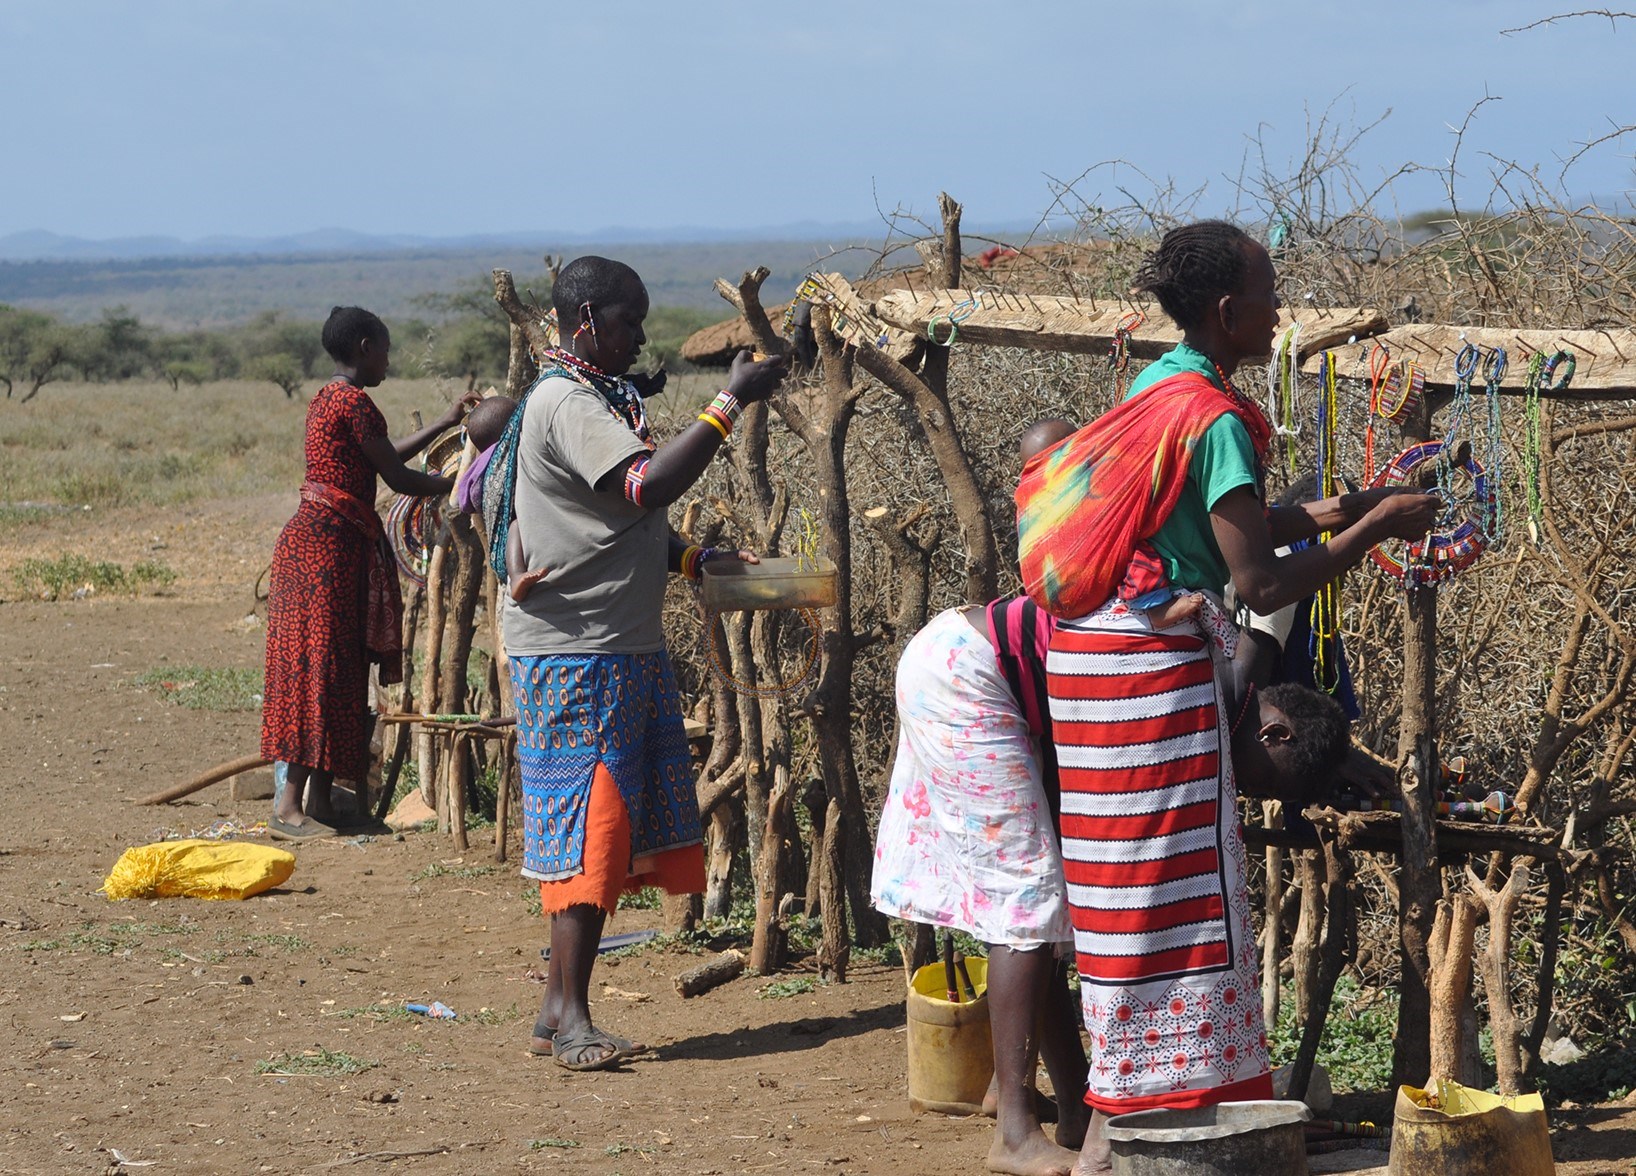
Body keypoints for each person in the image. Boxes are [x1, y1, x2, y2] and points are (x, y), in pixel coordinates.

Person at [1014, 220, 1440, 1173]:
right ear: (1226, 310)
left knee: (1129, 887)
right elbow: (1258, 586)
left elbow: (1209, 523)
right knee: (1177, 886)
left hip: (1091, 666)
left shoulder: (1152, 389)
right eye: (1270, 293)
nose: (1280, 308)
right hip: (1153, 683)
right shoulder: (1212, 417)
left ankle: (1146, 1110)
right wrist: (1374, 532)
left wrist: (1328, 511)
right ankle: (1158, 1110)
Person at [487, 255, 786, 1071]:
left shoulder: (580, 397)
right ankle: (576, 1020)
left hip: (607, 642)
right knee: (595, 826)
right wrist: (731, 402)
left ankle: (557, 1009)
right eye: (629, 321)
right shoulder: (567, 401)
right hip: (583, 650)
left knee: (597, 828)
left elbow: (607, 524)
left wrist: (692, 563)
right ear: (587, 320)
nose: (640, 337)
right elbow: (646, 488)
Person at [873, 421, 1087, 1176]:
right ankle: (1014, 1129)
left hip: (960, 666)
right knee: (1025, 899)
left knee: (1034, 901)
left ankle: (1066, 1100)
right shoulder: (1129, 570)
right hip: (965, 675)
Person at [261, 306, 478, 840]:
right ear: (363, 347)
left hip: (329, 549)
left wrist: (446, 424)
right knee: (319, 671)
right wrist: (456, 485)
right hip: (324, 555)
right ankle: (289, 810)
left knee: (339, 671)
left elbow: (383, 459)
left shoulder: (332, 399)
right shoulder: (351, 402)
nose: (388, 358)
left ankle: (320, 803)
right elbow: (398, 475)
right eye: (384, 348)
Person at [452, 394, 552, 602]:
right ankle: (517, 576)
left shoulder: (480, 462)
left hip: (495, 529)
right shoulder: (504, 454)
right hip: (510, 521)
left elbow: (464, 499)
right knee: (516, 526)